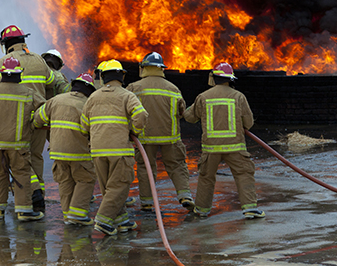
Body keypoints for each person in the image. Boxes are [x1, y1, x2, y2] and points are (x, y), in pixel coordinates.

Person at [0, 25, 65, 212]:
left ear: (6, 44)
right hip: (39, 118)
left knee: (17, 162)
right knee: (35, 158)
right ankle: (38, 200)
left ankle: (29, 196)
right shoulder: (39, 60)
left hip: (17, 122)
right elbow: (53, 82)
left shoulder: (6, 60)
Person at [183, 62, 265, 219]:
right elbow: (248, 123)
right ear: (230, 79)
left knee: (206, 177)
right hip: (235, 148)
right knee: (244, 174)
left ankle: (201, 210)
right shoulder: (239, 97)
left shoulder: (203, 97)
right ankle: (250, 208)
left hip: (211, 149)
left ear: (214, 78)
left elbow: (190, 118)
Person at [0, 56, 46, 222]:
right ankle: (24, 211)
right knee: (21, 174)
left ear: (2, 74)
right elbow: (45, 109)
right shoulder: (28, 93)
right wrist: (34, 122)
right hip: (18, 144)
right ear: (19, 74)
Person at [81, 60, 148, 235]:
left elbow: (84, 125)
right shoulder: (127, 96)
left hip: (97, 150)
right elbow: (140, 115)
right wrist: (135, 132)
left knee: (108, 188)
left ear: (103, 77)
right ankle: (103, 220)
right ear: (122, 76)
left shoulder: (93, 97)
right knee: (119, 186)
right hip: (119, 150)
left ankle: (121, 221)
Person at [126, 52, 193, 212]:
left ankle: (147, 202)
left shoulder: (134, 88)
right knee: (177, 165)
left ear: (143, 68)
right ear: (162, 68)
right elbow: (182, 111)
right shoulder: (173, 88)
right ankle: (185, 196)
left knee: (145, 168)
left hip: (144, 138)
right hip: (170, 138)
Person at [33, 73, 98, 226]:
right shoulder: (89, 104)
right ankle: (77, 214)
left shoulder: (55, 100)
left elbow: (37, 120)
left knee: (65, 182)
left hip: (58, 151)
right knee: (86, 179)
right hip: (80, 152)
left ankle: (68, 215)